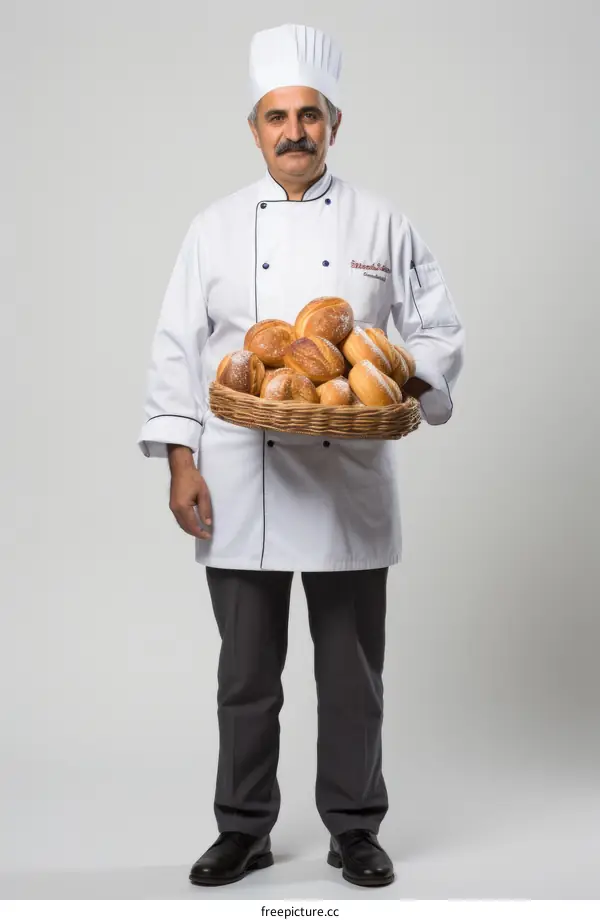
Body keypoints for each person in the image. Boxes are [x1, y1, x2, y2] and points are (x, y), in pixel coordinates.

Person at [137, 23, 465, 888]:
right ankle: (243, 828)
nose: (294, 131)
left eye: (309, 116)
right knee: (246, 677)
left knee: (353, 677)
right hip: (242, 478)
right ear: (255, 129)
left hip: (348, 480)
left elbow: (434, 331)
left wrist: (406, 388)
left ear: (334, 124)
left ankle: (355, 828)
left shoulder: (383, 222)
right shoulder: (210, 228)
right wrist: (180, 462)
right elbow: (176, 349)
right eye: (278, 117)